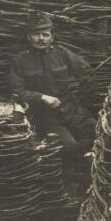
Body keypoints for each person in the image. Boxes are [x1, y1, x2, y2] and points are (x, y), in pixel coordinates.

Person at [8, 12, 97, 170]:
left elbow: (88, 73)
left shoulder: (62, 53)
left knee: (98, 134)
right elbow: (16, 91)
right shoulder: (20, 60)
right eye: (36, 34)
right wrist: (42, 97)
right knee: (68, 146)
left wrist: (83, 103)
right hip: (45, 116)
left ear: (52, 37)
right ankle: (72, 174)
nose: (41, 39)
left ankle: (85, 171)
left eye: (45, 34)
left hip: (72, 110)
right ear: (29, 37)